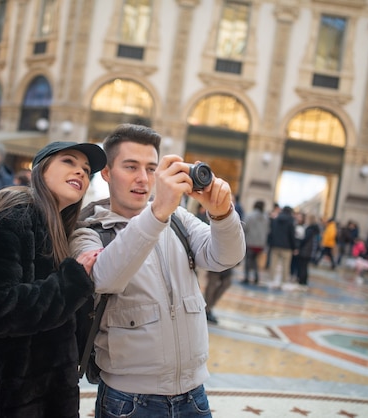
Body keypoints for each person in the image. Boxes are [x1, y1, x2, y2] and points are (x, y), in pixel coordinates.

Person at [70, 123, 245, 418]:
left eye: (152, 169)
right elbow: (105, 277)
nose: (143, 179)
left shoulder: (178, 219)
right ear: (108, 174)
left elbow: (224, 257)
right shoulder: (87, 231)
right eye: (131, 167)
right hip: (127, 400)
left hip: (194, 393)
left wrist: (222, 214)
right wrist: (157, 213)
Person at [0, 141, 108, 417]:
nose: (80, 173)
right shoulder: (12, 215)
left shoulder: (54, 228)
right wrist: (71, 283)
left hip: (37, 399)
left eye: (87, 170)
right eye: (69, 162)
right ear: (40, 170)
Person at [267, 205, 296, 290]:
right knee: (286, 265)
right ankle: (283, 282)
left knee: (273, 264)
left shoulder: (276, 219)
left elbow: (272, 232)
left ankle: (271, 280)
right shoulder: (291, 221)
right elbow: (292, 235)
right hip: (287, 247)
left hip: (275, 245)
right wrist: (294, 247)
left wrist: (271, 243)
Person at [242, 199, 269, 284]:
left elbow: (244, 227)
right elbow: (268, 230)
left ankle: (246, 277)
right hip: (261, 244)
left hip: (250, 242)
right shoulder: (266, 218)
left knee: (248, 260)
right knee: (256, 261)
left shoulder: (250, 215)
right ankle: (256, 277)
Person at [297, 214, 320, 288]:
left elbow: (305, 239)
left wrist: (299, 245)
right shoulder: (315, 229)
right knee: (305, 266)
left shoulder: (310, 229)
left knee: (303, 266)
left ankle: (302, 281)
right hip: (310, 251)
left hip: (306, 250)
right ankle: (304, 280)